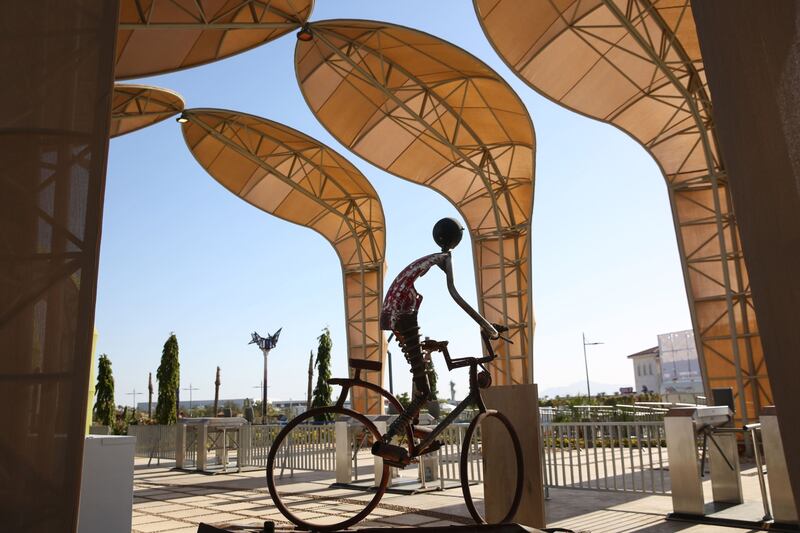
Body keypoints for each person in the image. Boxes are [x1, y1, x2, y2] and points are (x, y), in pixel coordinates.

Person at [371, 217, 499, 466]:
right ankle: (388, 441)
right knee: (424, 391)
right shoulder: (444, 258)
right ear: (455, 238)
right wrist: (489, 327)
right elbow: (456, 295)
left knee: (422, 388)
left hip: (399, 314)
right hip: (403, 315)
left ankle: (417, 437)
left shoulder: (430, 259)